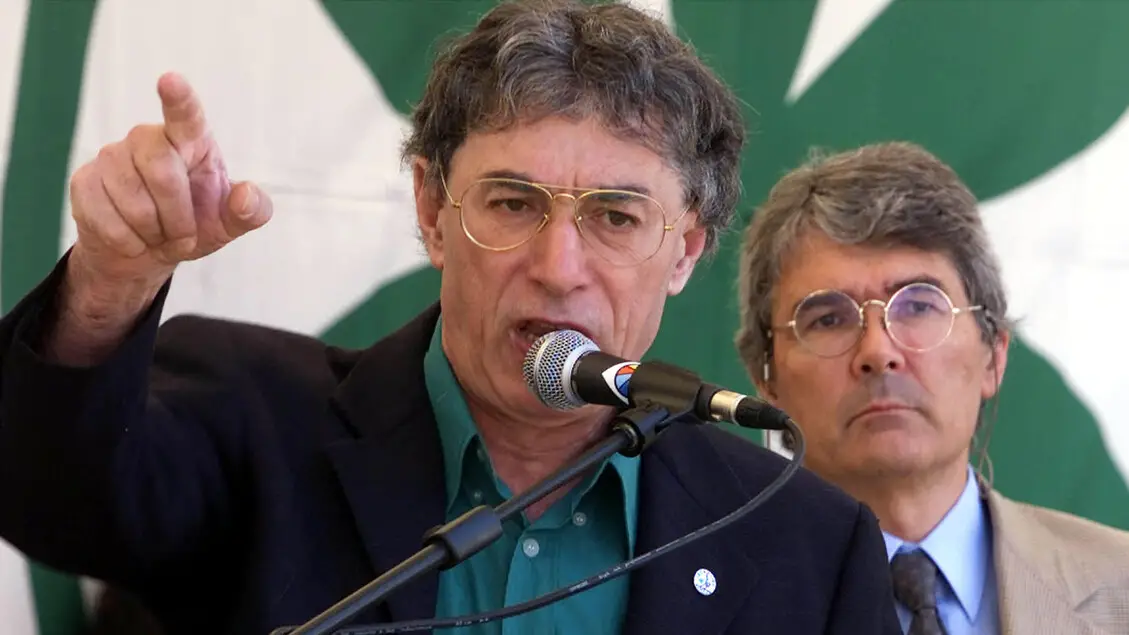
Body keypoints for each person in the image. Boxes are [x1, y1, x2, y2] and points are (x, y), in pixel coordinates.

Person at [0, 1, 901, 634]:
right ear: (432, 210)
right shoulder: (253, 424)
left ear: (685, 251)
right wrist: (111, 279)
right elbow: (48, 499)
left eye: (616, 218)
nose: (558, 268)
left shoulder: (805, 544)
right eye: (512, 203)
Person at [734, 140, 1129, 635]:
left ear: (994, 353)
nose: (878, 351)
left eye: (918, 306)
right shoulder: (697, 604)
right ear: (765, 378)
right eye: (829, 318)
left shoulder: (1118, 587)